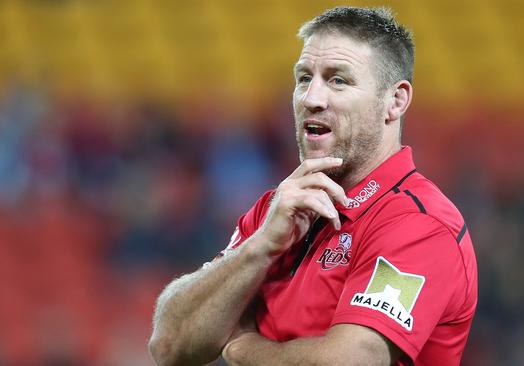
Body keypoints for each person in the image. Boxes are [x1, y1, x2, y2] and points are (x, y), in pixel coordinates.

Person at [148, 6, 477, 366]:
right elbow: (168, 346)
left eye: (338, 80)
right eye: (304, 78)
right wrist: (260, 247)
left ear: (394, 101)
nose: (311, 99)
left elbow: (351, 362)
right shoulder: (278, 208)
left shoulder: (419, 225)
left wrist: (243, 349)